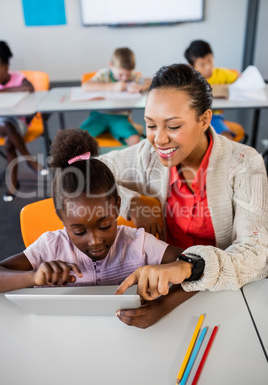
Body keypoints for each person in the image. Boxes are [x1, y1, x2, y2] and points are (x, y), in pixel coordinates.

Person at [96, 64, 268, 308]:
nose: (159, 139)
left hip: (227, 293)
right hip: (163, 289)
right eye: (151, 125)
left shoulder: (244, 163)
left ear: (205, 119)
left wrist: (188, 266)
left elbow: (255, 255)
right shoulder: (147, 155)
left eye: (173, 126)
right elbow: (86, 172)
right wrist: (131, 202)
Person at [0, 128, 196, 329]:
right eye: (79, 232)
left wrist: (162, 307)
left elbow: (200, 266)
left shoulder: (139, 244)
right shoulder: (50, 248)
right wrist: (32, 277)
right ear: (60, 217)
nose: (95, 240)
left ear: (118, 207)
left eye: (104, 225)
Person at [0, 41, 47, 202]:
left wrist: (4, 90)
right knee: (6, 126)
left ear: (6, 66)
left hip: (18, 124)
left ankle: (12, 185)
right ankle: (28, 158)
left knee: (8, 144)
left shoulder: (18, 77)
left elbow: (29, 88)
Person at [80, 47, 151, 146]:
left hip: (120, 117)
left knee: (134, 139)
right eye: (121, 74)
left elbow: (150, 81)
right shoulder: (104, 74)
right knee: (79, 138)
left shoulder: (133, 77)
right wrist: (112, 87)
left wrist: (140, 86)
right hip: (99, 115)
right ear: (111, 65)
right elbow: (86, 86)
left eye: (128, 74)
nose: (124, 78)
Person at [184, 39, 245, 141]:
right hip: (195, 117)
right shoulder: (190, 78)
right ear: (192, 66)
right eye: (202, 65)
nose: (208, 67)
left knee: (226, 136)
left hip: (215, 116)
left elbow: (239, 76)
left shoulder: (221, 73)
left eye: (210, 61)